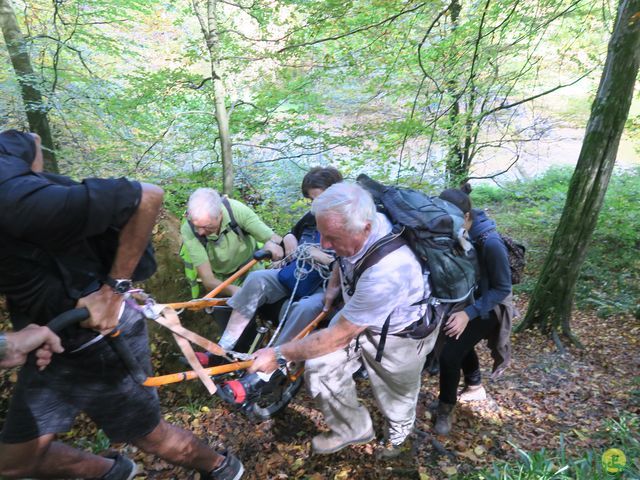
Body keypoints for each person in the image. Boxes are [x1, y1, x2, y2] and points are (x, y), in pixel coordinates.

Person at [0, 130, 243, 480]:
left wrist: (113, 289)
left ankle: (222, 467)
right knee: (13, 463)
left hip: (100, 338)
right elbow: (29, 140)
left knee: (150, 436)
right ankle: (111, 472)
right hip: (45, 341)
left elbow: (146, 196)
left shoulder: (16, 201)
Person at [249, 182, 437, 458]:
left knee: (396, 396)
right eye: (323, 235)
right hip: (358, 316)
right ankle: (354, 427)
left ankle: (398, 437)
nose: (324, 245)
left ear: (366, 228)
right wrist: (333, 287)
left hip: (400, 335)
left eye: (332, 238)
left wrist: (278, 353)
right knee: (321, 368)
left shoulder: (390, 270)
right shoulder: (352, 231)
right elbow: (342, 258)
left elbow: (337, 336)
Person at [212, 167, 342, 401]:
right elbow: (290, 236)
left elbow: (352, 266)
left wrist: (321, 256)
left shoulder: (348, 221)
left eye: (319, 198)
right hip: (297, 276)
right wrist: (291, 240)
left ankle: (270, 367)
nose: (315, 204)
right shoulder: (312, 217)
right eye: (312, 199)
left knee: (305, 308)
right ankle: (225, 347)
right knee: (256, 278)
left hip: (327, 287)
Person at [433, 184, 514, 436]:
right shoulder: (462, 232)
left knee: (448, 354)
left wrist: (468, 314)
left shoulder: (490, 243)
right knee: (459, 343)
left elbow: (502, 288)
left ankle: (446, 408)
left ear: (467, 217)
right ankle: (475, 386)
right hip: (467, 301)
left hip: (489, 309)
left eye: (454, 219)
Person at [180, 188, 284, 297]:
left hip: (251, 270)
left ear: (220, 214)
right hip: (221, 281)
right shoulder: (189, 229)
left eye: (206, 226)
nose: (200, 232)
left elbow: (274, 239)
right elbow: (208, 280)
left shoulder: (237, 212)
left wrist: (274, 245)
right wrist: (235, 291)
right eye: (196, 226)